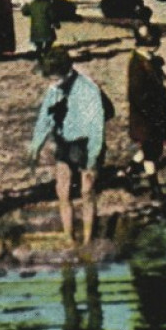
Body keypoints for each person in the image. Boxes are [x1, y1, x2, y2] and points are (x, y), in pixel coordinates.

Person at [30, 49, 108, 246]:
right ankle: (68, 236)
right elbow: (44, 119)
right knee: (62, 190)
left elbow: (97, 128)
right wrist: (35, 147)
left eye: (51, 76)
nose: (49, 81)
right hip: (64, 142)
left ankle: (88, 238)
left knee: (87, 191)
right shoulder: (54, 89)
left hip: (86, 143)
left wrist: (92, 159)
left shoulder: (88, 90)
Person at [126, 23, 166, 201]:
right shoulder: (137, 65)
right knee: (151, 152)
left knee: (153, 147)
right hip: (147, 115)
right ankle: (155, 189)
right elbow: (137, 94)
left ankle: (130, 172)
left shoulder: (145, 59)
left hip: (154, 113)